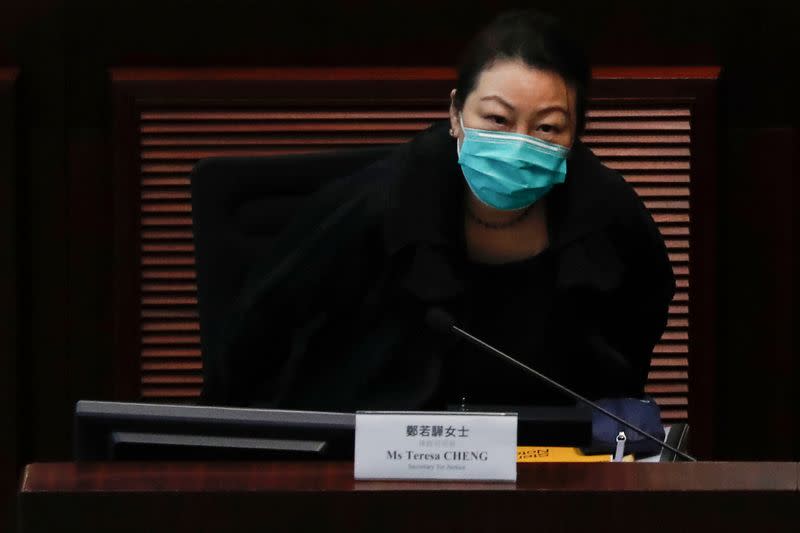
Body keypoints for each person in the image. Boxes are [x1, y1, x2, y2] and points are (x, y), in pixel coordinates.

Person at [201, 9, 675, 412]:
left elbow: (640, 323)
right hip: (381, 462)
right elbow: (256, 333)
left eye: (548, 128)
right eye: (497, 119)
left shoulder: (608, 216)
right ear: (455, 115)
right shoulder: (376, 209)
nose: (518, 144)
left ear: (576, 136)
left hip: (545, 463)